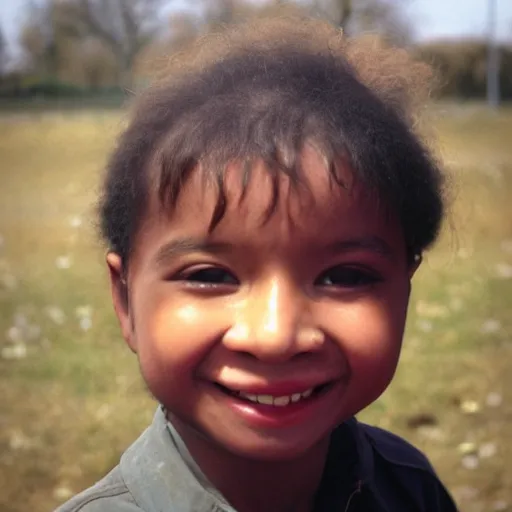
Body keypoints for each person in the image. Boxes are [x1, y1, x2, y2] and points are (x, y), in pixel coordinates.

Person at [56, 14, 458, 512]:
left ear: (405, 290)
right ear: (125, 299)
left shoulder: (411, 489)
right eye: (209, 276)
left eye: (345, 276)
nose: (274, 337)